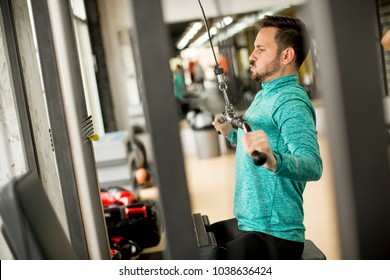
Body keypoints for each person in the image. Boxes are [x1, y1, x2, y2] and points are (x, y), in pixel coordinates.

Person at [211, 15, 323, 260]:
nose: (252, 56)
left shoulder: (290, 101)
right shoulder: (266, 94)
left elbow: (313, 165)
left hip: (275, 235)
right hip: (250, 220)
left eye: (261, 49)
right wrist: (230, 134)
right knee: (198, 240)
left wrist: (274, 160)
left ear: (286, 56)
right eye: (254, 48)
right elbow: (256, 142)